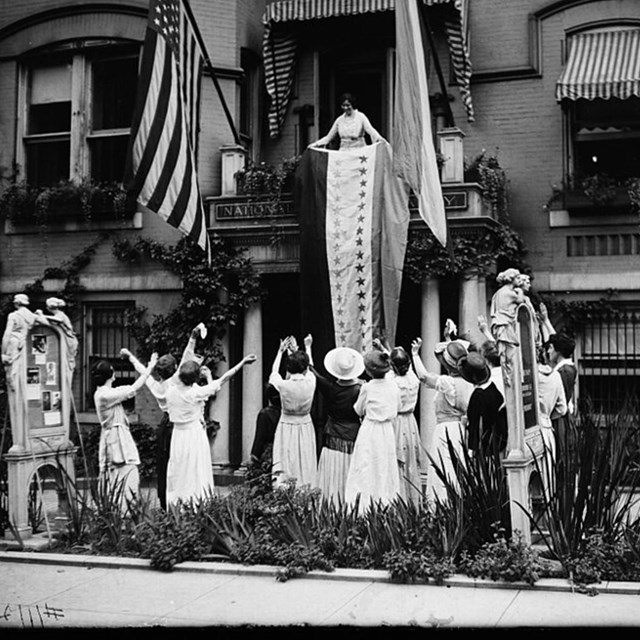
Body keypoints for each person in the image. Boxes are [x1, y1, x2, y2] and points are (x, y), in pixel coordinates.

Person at [120, 323, 204, 510]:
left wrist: (130, 356)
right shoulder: (176, 381)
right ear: (175, 369)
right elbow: (186, 357)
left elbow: (143, 371)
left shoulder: (157, 386)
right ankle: (185, 502)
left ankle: (166, 503)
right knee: (182, 464)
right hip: (180, 427)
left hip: (164, 426)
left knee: (165, 466)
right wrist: (192, 337)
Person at [165, 353, 257, 507]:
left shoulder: (171, 391)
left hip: (178, 434)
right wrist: (242, 362)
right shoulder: (195, 393)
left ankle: (178, 504)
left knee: (180, 469)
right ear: (195, 379)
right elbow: (223, 380)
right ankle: (197, 502)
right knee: (197, 468)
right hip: (194, 434)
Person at [411, 337, 474, 505]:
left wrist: (415, 355)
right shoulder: (469, 382)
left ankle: (442, 504)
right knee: (456, 468)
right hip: (461, 429)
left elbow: (424, 377)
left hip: (446, 430)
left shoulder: (448, 383)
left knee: (445, 466)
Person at [92, 351, 159, 507]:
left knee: (124, 474)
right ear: (111, 375)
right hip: (115, 440)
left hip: (117, 437)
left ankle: (124, 509)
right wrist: (150, 367)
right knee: (122, 474)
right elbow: (134, 388)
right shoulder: (104, 395)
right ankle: (122, 510)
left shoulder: (105, 393)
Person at [344, 349, 401, 513]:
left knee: (366, 465)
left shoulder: (367, 388)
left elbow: (358, 409)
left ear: (368, 371)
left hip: (370, 430)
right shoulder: (393, 386)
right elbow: (397, 406)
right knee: (384, 465)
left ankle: (363, 506)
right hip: (387, 430)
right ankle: (384, 503)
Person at [309, 344, 364, 505]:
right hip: (353, 436)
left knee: (333, 471)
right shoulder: (361, 389)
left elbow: (313, 372)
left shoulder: (330, 387)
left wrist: (308, 348)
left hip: (332, 437)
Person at [2, 293, 51, 450]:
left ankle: (19, 440)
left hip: (14, 348)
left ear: (16, 304)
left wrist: (3, 353)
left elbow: (7, 334)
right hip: (26, 349)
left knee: (13, 384)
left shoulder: (14, 315)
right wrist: (40, 315)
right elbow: (46, 324)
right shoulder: (30, 316)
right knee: (25, 385)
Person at [269, 335, 318, 489]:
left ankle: (284, 492)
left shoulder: (283, 385)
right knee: (305, 459)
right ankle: (306, 491)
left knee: (285, 459)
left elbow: (274, 373)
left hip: (286, 426)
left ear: (288, 368)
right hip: (305, 425)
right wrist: (307, 347)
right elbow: (309, 367)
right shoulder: (310, 381)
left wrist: (280, 352)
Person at [388, 346, 424, 507]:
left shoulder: (392, 382)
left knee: (397, 463)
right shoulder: (413, 379)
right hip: (410, 422)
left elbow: (389, 371)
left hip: (397, 421)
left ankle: (399, 502)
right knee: (410, 461)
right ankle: (413, 502)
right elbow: (400, 367)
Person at [458, 351, 508, 459]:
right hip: (496, 443)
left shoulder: (478, 396)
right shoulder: (493, 388)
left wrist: (472, 449)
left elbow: (475, 425)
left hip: (484, 448)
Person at [308, 93, 384, 150]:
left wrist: (379, 139)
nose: (345, 108)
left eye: (348, 105)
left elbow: (370, 130)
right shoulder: (339, 120)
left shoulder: (361, 117)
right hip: (344, 151)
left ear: (352, 104)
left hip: (359, 150)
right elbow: (329, 137)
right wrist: (316, 144)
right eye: (343, 105)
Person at [490, 268, 526, 386]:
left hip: (503, 325)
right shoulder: (508, 292)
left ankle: (509, 377)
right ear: (511, 279)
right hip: (505, 326)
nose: (520, 281)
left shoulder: (499, 292)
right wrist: (520, 291)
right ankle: (510, 379)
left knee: (507, 355)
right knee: (510, 355)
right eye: (518, 278)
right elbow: (520, 300)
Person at [38, 297, 78, 379]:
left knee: (68, 364)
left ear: (49, 307)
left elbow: (58, 320)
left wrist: (43, 315)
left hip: (69, 342)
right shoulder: (57, 316)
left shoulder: (60, 315)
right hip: (66, 342)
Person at [249, 383, 282, 466]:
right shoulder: (286, 413)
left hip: (268, 453)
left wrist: (254, 455)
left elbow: (260, 437)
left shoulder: (264, 414)